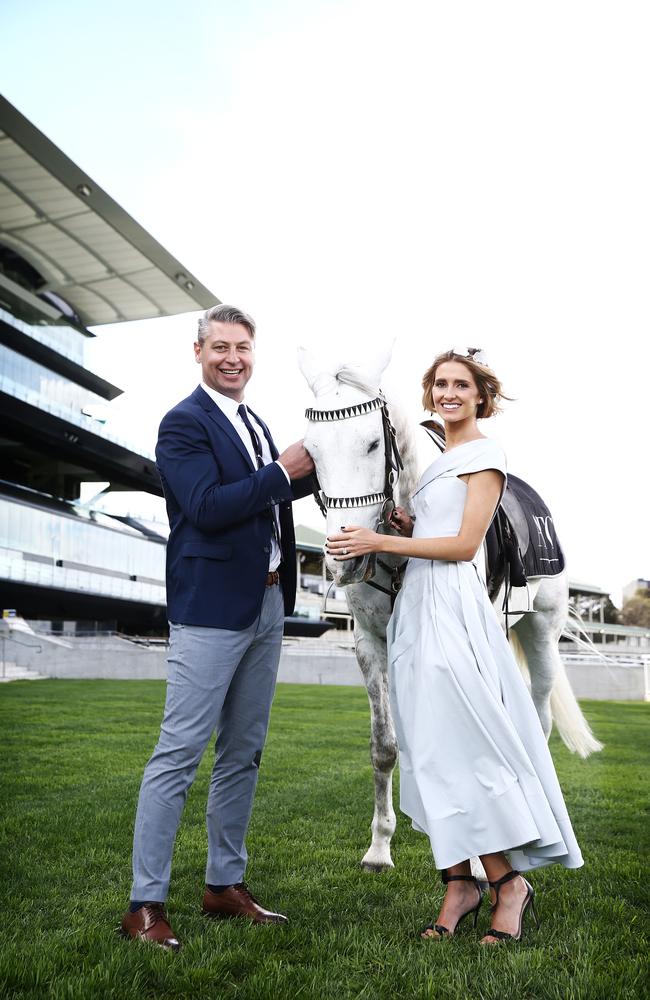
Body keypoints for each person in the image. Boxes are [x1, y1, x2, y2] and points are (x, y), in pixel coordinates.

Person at [326, 347, 583, 945]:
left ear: (479, 395)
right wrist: (398, 528)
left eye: (459, 385)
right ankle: (458, 882)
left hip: (455, 607)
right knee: (429, 748)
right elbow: (433, 531)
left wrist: (380, 542)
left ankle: (507, 882)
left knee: (466, 745)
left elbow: (464, 545)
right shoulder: (435, 460)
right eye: (439, 384)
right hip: (416, 606)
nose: (447, 393)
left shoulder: (486, 457)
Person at [120, 304, 314, 950]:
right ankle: (144, 903)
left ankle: (222, 885)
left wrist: (326, 473)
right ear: (198, 351)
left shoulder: (253, 421)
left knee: (244, 752)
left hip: (265, 605)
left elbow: (273, 493)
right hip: (209, 609)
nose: (233, 357)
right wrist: (281, 473)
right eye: (221, 346)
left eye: (243, 348)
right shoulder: (183, 423)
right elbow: (205, 507)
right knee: (178, 753)